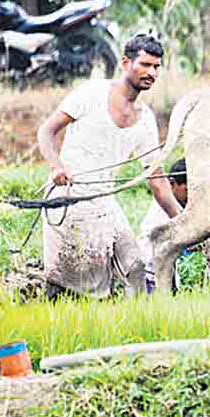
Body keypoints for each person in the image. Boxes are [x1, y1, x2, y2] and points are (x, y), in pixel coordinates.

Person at [36, 33, 181, 298]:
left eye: (156, 67)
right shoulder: (91, 94)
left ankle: (137, 326)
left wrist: (184, 222)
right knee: (83, 288)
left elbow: (157, 181)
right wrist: (56, 167)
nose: (152, 72)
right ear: (126, 63)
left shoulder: (145, 120)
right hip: (69, 200)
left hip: (104, 203)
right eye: (145, 65)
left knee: (135, 266)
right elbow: (46, 131)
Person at [137, 158, 188, 293]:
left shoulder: (179, 208)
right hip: (150, 274)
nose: (190, 196)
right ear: (172, 184)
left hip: (166, 272)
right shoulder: (163, 209)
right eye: (187, 190)